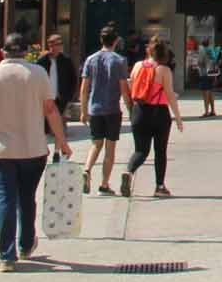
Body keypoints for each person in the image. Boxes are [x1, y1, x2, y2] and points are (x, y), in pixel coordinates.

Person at [0, 30, 71, 273]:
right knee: (26, 198)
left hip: (2, 151)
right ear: (26, 51)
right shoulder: (38, 73)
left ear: (5, 50)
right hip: (34, 148)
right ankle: (26, 244)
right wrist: (61, 142)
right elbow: (51, 109)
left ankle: (6, 256)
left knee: (6, 200)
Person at [120, 38, 184, 198]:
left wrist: (131, 110)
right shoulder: (164, 70)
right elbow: (169, 95)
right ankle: (159, 186)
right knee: (160, 151)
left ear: (149, 50)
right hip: (159, 113)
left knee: (141, 150)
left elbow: (129, 89)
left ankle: (128, 171)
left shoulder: (137, 66)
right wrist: (178, 117)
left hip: (139, 111)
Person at [79, 27, 129, 196]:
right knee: (110, 147)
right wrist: (130, 107)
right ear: (115, 41)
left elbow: (84, 88)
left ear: (101, 40)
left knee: (96, 143)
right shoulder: (119, 61)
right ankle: (104, 184)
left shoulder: (90, 59)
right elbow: (124, 88)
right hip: (112, 109)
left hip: (95, 108)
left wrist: (83, 110)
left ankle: (86, 169)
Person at [39, 34, 78, 121]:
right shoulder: (42, 61)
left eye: (60, 44)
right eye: (55, 44)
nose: (58, 47)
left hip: (61, 99)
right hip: (46, 98)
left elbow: (73, 80)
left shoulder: (66, 61)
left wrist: (69, 97)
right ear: (49, 45)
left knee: (59, 126)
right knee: (46, 127)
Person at [193, 41, 220, 119]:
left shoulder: (202, 51)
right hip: (212, 74)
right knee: (211, 93)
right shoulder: (212, 51)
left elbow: (200, 63)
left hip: (204, 74)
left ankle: (206, 112)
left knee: (205, 94)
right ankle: (213, 111)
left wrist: (198, 64)